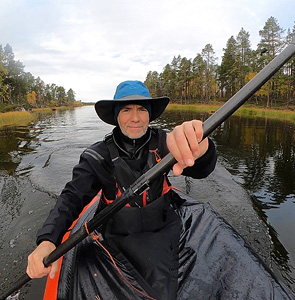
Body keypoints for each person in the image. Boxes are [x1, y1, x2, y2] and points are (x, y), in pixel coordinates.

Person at [26, 80, 217, 298]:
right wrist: (47, 240)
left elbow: (202, 170)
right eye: (126, 110)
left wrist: (203, 149)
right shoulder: (97, 156)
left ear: (150, 114)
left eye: (141, 109)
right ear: (116, 116)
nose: (135, 118)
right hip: (116, 234)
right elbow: (71, 199)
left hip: (162, 228)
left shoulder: (168, 143)